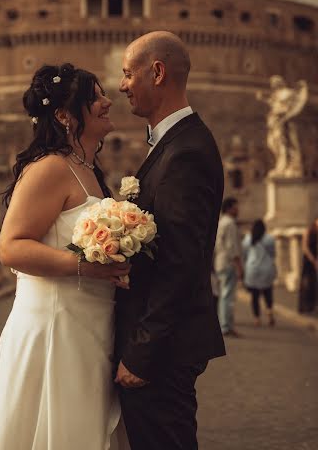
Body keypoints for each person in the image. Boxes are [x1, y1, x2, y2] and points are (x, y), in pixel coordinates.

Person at [0, 63, 131, 450]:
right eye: (95, 97)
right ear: (64, 115)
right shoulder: (49, 168)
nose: (107, 101)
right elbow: (10, 246)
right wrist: (86, 266)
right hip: (55, 329)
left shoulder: (89, 171)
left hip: (91, 329)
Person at [115, 31, 225, 450]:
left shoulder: (186, 153)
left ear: (157, 72)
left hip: (162, 352)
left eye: (128, 74)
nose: (122, 86)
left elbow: (181, 263)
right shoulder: (175, 144)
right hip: (164, 345)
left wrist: (142, 351)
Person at [214, 197, 243, 337]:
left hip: (220, 261)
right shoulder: (230, 223)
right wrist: (239, 266)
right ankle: (226, 326)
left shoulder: (221, 222)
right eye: (236, 206)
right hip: (228, 263)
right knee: (228, 296)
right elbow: (232, 247)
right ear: (230, 208)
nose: (238, 209)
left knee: (224, 295)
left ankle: (224, 324)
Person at [242, 219, 277, 326]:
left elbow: (245, 254)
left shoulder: (248, 239)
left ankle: (257, 318)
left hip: (252, 269)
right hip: (266, 268)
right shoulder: (269, 239)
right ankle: (269, 312)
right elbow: (273, 254)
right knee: (268, 292)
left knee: (255, 296)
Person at [298, 218, 318, 313]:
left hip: (315, 259)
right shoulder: (309, 231)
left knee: (314, 284)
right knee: (307, 283)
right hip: (308, 260)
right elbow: (305, 247)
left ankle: (313, 306)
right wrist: (313, 259)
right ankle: (305, 306)